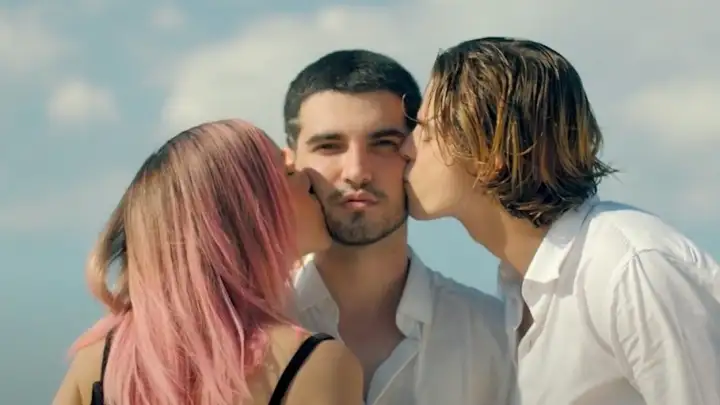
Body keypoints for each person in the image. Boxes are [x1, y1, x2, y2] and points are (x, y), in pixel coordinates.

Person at [401, 36, 720, 405]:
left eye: (426, 132)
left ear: (489, 155)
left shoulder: (630, 269)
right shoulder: (517, 292)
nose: (407, 149)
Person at [52, 119, 364, 405]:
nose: (309, 179)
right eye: (289, 174)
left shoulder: (102, 362)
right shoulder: (316, 367)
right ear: (252, 215)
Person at [283, 49, 512, 405]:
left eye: (384, 144)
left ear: (416, 150)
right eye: (329, 146)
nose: (357, 172)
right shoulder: (250, 328)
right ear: (291, 162)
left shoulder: (494, 335)